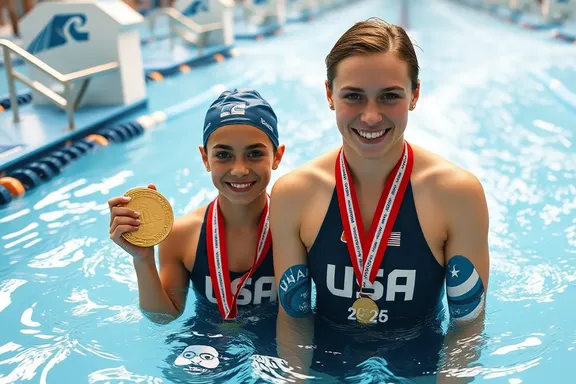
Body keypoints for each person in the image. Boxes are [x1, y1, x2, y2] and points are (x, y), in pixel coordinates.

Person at [270, 18, 490, 380]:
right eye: (353, 96)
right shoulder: (295, 193)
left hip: (423, 359)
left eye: (390, 96)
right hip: (328, 359)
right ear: (329, 95)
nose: (371, 116)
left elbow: (466, 327)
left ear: (415, 95)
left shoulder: (456, 194)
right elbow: (293, 318)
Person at [108, 89, 286, 377]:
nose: (239, 169)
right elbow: (163, 316)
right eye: (223, 155)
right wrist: (142, 258)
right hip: (207, 335)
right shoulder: (182, 234)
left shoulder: (295, 225)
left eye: (254, 153)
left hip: (282, 334)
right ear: (205, 159)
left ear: (277, 156)